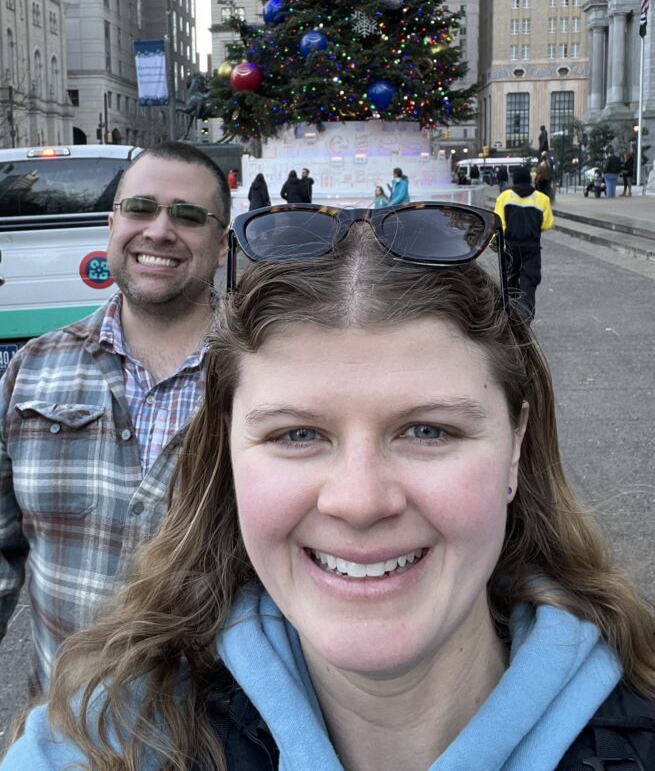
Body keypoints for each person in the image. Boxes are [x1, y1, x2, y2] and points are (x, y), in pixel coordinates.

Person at [4, 202, 655, 770]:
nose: (359, 500)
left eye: (426, 431)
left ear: (514, 447)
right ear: (227, 452)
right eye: (296, 435)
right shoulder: (98, 741)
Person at [0, 141, 231, 694]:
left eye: (189, 215)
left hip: (224, 741)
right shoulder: (35, 367)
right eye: (140, 208)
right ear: (112, 225)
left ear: (221, 245)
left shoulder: (268, 375)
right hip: (65, 733)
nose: (159, 230)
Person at [494, 166, 554, 321]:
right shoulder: (542, 199)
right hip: (532, 247)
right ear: (529, 179)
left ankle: (510, 315)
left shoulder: (504, 197)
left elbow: (499, 222)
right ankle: (525, 316)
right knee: (529, 283)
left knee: (509, 280)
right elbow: (547, 224)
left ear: (514, 179)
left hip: (510, 246)